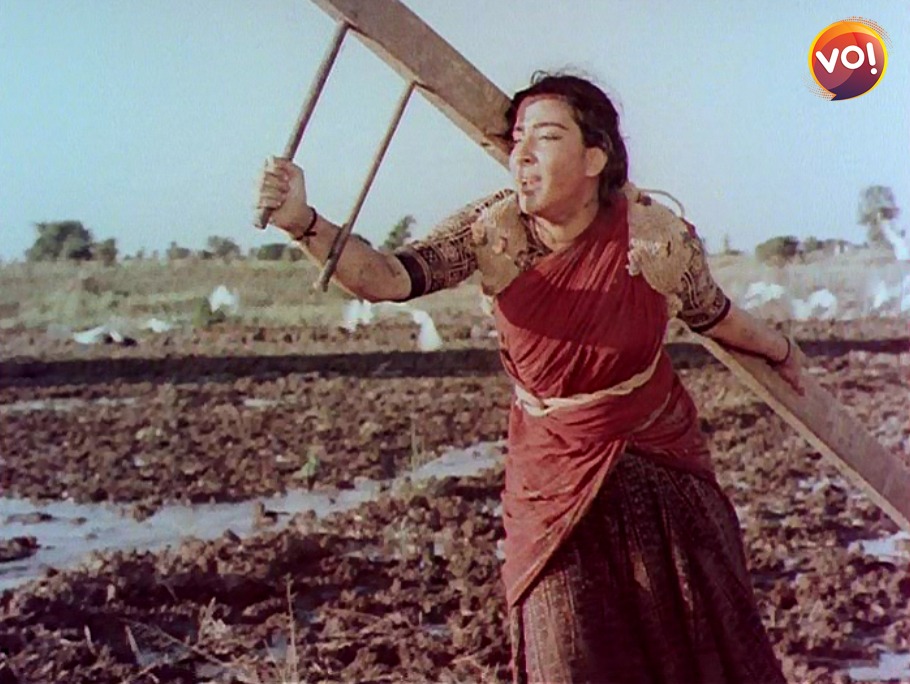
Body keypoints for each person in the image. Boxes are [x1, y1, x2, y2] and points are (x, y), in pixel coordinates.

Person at [256, 72, 801, 684]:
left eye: (546, 137)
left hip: (657, 470)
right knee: (565, 657)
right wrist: (303, 222)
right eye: (518, 139)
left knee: (702, 654)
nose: (523, 155)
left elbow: (714, 314)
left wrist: (781, 348)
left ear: (595, 158)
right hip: (550, 481)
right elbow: (386, 277)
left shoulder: (653, 237)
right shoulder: (493, 230)